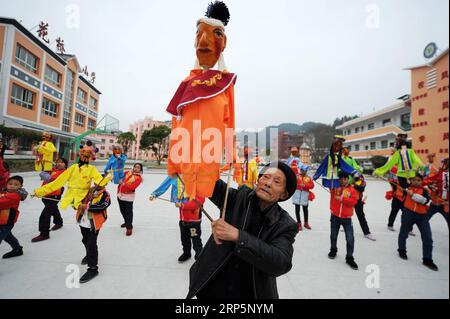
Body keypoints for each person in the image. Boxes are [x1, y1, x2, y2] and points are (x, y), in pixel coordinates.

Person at [187, 161, 299, 299]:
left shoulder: (285, 224)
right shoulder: (237, 197)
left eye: (276, 181)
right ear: (258, 180)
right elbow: (206, 181)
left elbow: (281, 263)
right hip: (211, 287)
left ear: (283, 194)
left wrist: (238, 236)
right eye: (265, 177)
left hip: (251, 294)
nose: (268, 183)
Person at [166, 0, 236, 200]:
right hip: (185, 158)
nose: (204, 41)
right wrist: (173, 162)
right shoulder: (187, 83)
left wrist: (231, 155)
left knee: (200, 202)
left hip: (209, 156)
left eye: (216, 34)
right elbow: (176, 125)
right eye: (199, 34)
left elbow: (230, 121)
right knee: (186, 209)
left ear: (224, 42)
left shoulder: (225, 83)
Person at [150, 176, 205, 262]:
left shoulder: (197, 181)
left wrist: (183, 205)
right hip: (183, 220)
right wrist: (155, 194)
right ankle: (186, 253)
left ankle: (200, 256)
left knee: (196, 239)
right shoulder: (177, 175)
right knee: (184, 238)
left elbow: (199, 201)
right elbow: (165, 184)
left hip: (194, 221)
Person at [397, 173, 438, 271]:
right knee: (404, 233)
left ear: (421, 181)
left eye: (418, 180)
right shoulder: (406, 187)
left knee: (427, 237)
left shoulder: (425, 190)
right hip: (408, 213)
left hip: (422, 216)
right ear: (410, 180)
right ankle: (402, 250)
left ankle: (427, 259)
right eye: (413, 180)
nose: (416, 182)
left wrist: (413, 195)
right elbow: (400, 176)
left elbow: (425, 201)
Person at [77, 186, 111, 283]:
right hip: (82, 221)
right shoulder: (86, 189)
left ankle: (92, 268)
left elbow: (102, 206)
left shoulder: (105, 194)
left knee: (91, 244)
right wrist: (74, 202)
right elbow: (76, 200)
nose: (97, 183)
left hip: (94, 224)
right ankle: (89, 255)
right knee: (85, 241)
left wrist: (87, 206)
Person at [328, 172, 359, 270]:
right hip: (335, 216)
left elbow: (353, 202)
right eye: (341, 179)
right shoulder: (335, 188)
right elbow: (328, 182)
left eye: (345, 178)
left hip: (347, 218)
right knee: (333, 235)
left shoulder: (352, 190)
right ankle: (333, 250)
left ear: (348, 179)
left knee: (350, 238)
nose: (343, 180)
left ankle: (349, 257)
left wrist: (342, 199)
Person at [31, 158, 68, 242]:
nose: (59, 164)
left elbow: (50, 179)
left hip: (54, 195)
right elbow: (44, 169)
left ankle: (44, 234)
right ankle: (59, 222)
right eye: (58, 162)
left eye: (62, 162)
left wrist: (43, 173)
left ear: (65, 164)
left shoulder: (64, 172)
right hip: (46, 194)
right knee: (53, 209)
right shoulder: (53, 169)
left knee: (45, 214)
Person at [0, 176, 28, 259]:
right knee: (8, 236)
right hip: (2, 221)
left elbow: (2, 203)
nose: (12, 186)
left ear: (20, 187)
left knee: (5, 235)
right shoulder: (4, 193)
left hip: (7, 222)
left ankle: (17, 249)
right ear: (6, 185)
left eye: (16, 184)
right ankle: (17, 249)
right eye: (10, 184)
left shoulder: (15, 196)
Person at [117, 163, 143, 236]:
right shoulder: (127, 173)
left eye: (138, 167)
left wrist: (123, 183)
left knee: (128, 212)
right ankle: (126, 222)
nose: (136, 168)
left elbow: (132, 187)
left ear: (140, 169)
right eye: (135, 167)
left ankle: (129, 227)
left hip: (129, 197)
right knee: (122, 211)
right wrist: (118, 170)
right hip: (120, 195)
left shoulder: (139, 178)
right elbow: (120, 176)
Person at [424, 157, 449, 228]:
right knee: (425, 219)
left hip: (443, 204)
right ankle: (424, 230)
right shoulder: (437, 175)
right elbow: (428, 181)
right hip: (434, 204)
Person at [291, 164, 314, 231]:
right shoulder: (297, 176)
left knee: (305, 209)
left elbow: (312, 186)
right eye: (302, 170)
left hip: (305, 195)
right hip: (297, 194)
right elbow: (293, 183)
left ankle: (306, 223)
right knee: (297, 209)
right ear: (300, 170)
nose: (304, 172)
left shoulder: (308, 178)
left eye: (305, 170)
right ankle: (299, 223)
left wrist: (304, 185)